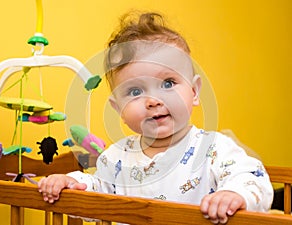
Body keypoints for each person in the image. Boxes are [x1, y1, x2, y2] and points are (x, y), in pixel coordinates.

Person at [38, 12, 273, 224]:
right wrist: (72, 184)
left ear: (195, 92)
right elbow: (98, 191)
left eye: (168, 83)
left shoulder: (213, 148)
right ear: (118, 108)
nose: (153, 101)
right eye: (135, 91)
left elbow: (251, 177)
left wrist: (235, 195)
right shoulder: (116, 158)